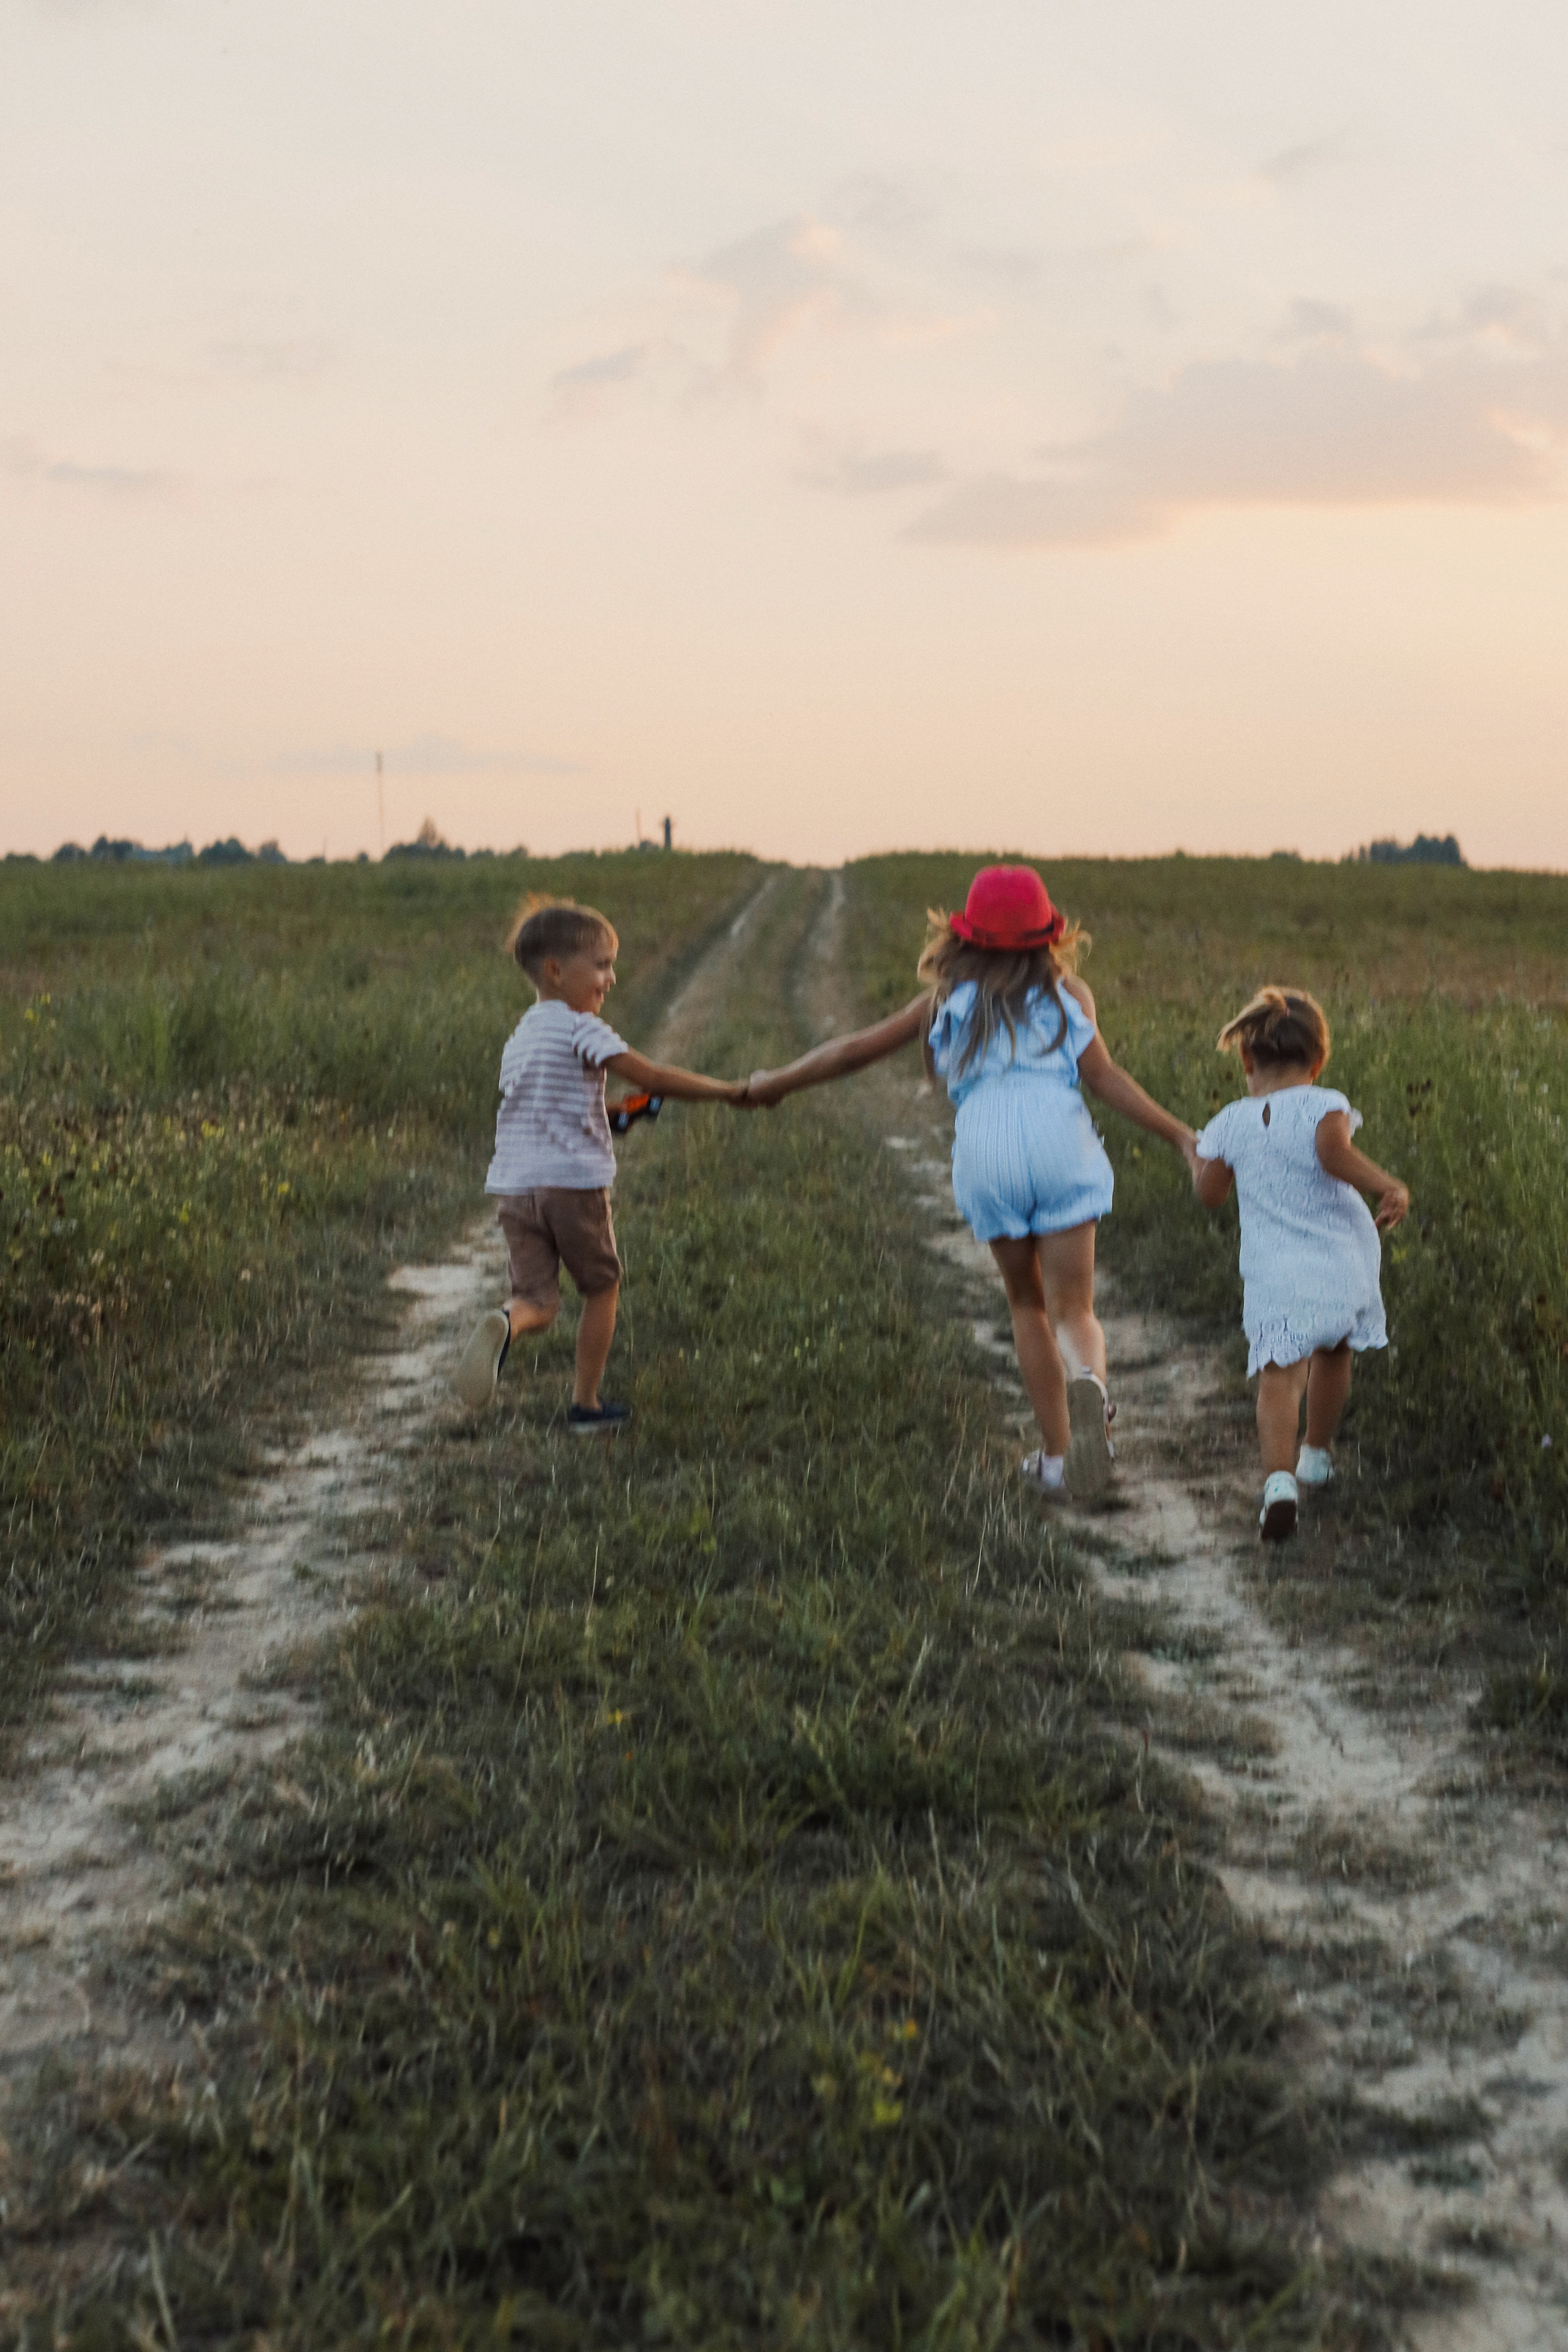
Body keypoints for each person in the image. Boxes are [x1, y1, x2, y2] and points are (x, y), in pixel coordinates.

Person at [745, 864, 1195, 1499]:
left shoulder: (942, 1001)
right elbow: (1106, 1078)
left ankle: (1059, 1459)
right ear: (1048, 937)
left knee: (1026, 1304)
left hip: (989, 1149)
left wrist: (777, 1082)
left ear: (964, 937)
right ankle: (1089, 1382)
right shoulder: (1071, 997)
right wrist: (1180, 1135)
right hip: (1058, 1139)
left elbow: (851, 1051)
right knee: (1075, 1308)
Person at [455, 895, 748, 1430]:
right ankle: (586, 1405)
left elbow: (553, 1110)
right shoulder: (580, 1028)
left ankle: (507, 1321)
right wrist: (729, 1090)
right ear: (556, 971)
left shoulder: (521, 1038)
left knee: (537, 1300)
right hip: (572, 1187)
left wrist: (617, 1117)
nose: (611, 979)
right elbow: (654, 1075)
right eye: (602, 965)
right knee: (601, 1287)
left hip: (517, 1188)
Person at [1189, 986, 1409, 1542]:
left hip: (1276, 1274)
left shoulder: (1230, 1123)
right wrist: (1387, 1185)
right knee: (1335, 1352)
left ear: (1246, 1059)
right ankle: (1316, 1454)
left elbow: (1210, 1194)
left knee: (1280, 1379)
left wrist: (1196, 1152)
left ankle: (1279, 1483)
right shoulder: (1324, 1104)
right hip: (1339, 1264)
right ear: (1318, 1062)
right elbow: (1335, 1155)